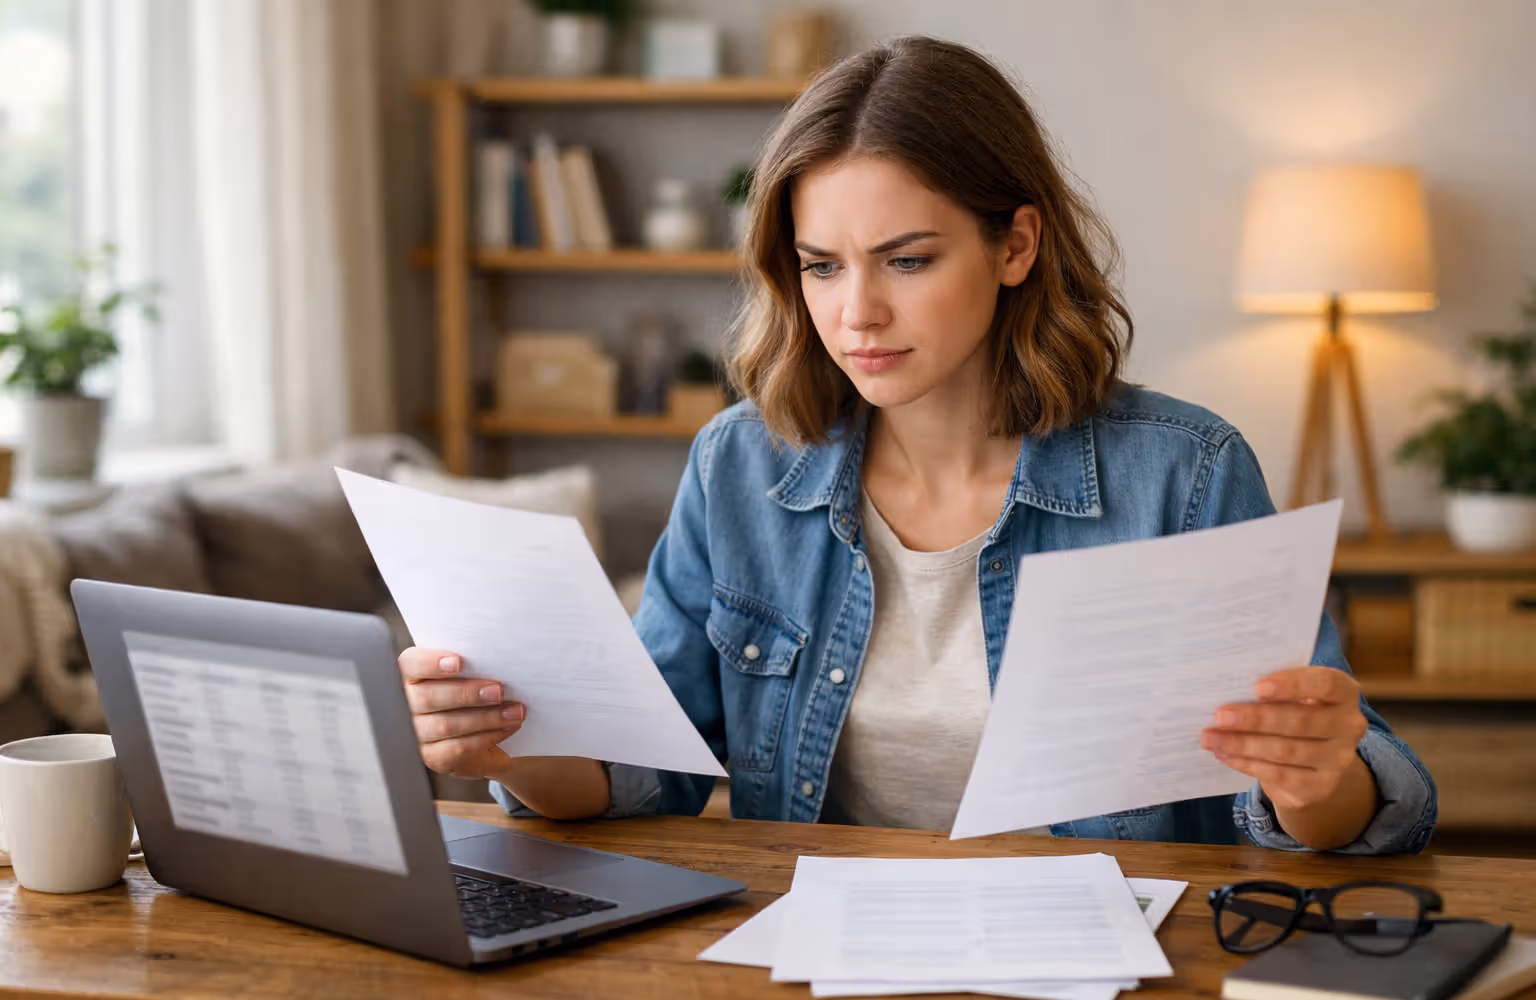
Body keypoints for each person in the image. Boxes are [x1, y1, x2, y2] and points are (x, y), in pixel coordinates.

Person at [399, 36, 1435, 853]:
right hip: (819, 955)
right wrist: (513, 746)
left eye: (906, 258)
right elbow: (643, 769)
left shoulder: (1186, 472)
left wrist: (1316, 777)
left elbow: (1360, 801)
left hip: (1124, 968)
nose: (857, 314)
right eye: (821, 265)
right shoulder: (741, 468)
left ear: (1016, 244)